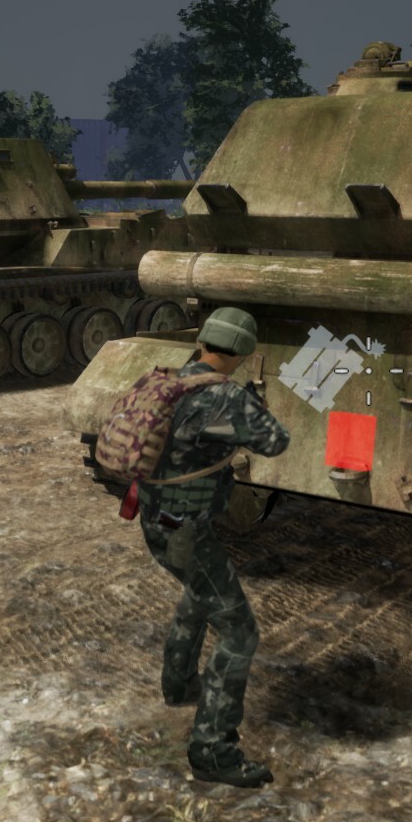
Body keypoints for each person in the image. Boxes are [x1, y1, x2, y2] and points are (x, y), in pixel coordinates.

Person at [140, 307, 290, 788]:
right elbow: (275, 442)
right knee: (240, 634)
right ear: (242, 352)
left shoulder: (168, 380)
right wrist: (252, 405)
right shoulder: (226, 397)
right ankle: (212, 751)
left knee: (199, 595)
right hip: (187, 530)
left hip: (154, 520)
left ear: (202, 341)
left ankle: (180, 684)